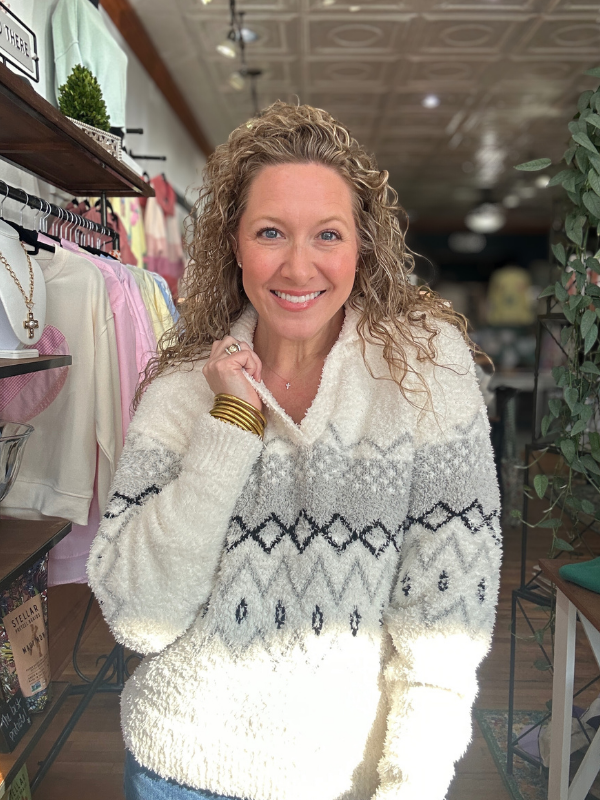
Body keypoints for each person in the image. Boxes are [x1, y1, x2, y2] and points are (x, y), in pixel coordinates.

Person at [87, 101, 502, 800]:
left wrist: (411, 785)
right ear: (234, 245)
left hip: (335, 780)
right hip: (173, 768)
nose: (299, 265)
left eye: (328, 235)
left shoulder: (429, 375)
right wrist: (229, 423)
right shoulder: (183, 389)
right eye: (271, 232)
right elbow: (138, 617)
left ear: (363, 247)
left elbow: (446, 626)